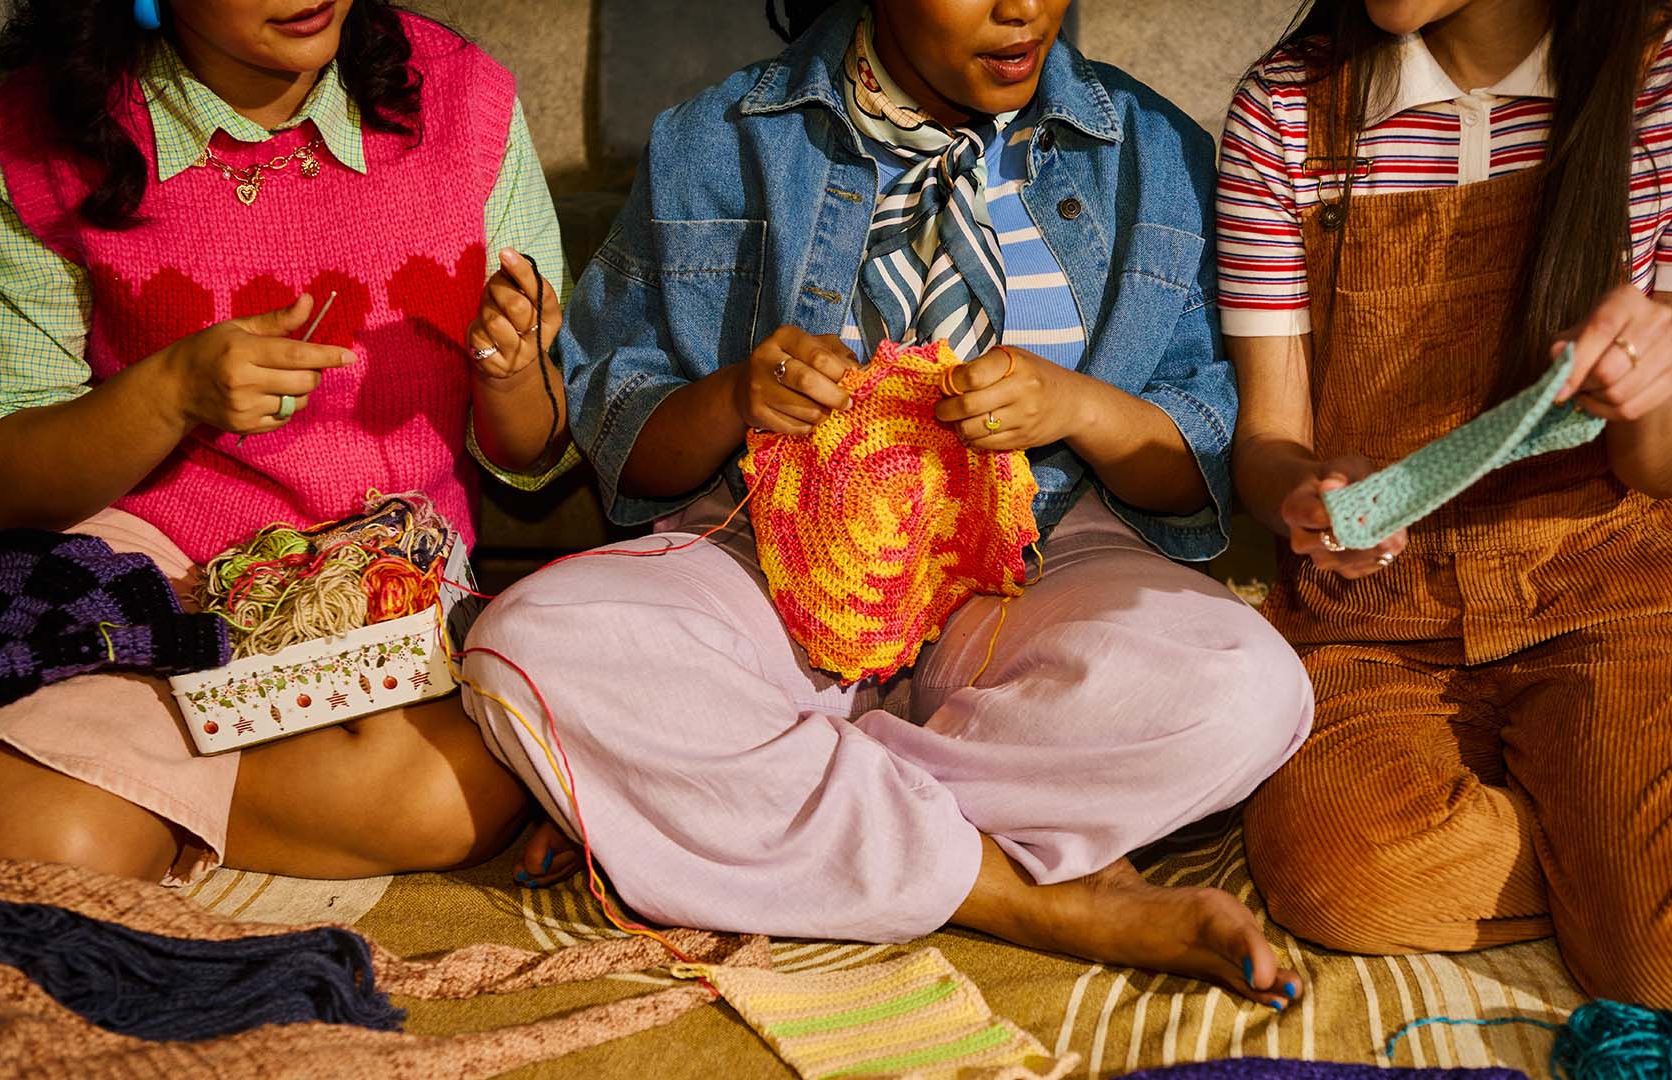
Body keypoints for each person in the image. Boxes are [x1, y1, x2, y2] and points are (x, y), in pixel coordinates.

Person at [462, 0, 1314, 1004]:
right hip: (764, 564)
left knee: (1251, 692)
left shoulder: (1154, 152)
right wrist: (737, 396)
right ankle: (1026, 895)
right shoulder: (717, 138)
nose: (1023, 9)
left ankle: (721, 796)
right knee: (530, 648)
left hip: (1036, 568)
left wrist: (1076, 408)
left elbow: (1202, 462)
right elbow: (622, 442)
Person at [0, 0, 572, 888]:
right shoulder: (39, 140)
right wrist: (170, 393)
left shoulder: (460, 100)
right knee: (46, 852)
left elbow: (533, 454)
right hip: (142, 584)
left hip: (370, 590)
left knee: (451, 800)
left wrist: (513, 374)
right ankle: (68, 801)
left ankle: (96, 790)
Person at [1219, 0, 1672, 1026]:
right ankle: (1636, 850)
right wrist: (1307, 494)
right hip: (1377, 618)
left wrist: (1649, 384)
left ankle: (1659, 861)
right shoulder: (1284, 109)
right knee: (1338, 874)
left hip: (1612, 578)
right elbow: (1267, 443)